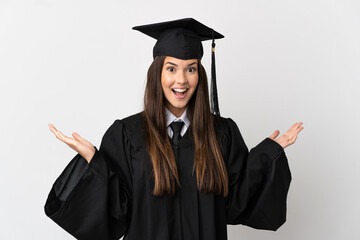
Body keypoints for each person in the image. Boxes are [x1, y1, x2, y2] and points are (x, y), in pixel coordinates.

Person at [44, 18, 304, 240]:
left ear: (199, 75)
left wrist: (268, 155)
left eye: (191, 69)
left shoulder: (222, 133)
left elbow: (234, 203)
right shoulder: (126, 134)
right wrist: (94, 161)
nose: (181, 80)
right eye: (172, 69)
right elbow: (117, 213)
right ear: (157, 73)